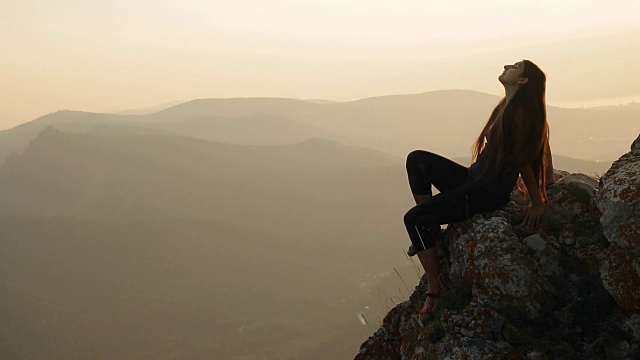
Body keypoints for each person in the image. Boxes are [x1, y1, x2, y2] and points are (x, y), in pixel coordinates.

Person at [403, 59, 555, 318]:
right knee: (417, 160)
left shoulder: (521, 113)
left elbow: (524, 158)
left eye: (516, 67)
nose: (507, 66)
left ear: (523, 80)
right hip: (473, 179)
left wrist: (538, 199)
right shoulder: (505, 106)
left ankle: (435, 288)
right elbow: (541, 145)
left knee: (412, 219)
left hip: (487, 191)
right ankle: (433, 233)